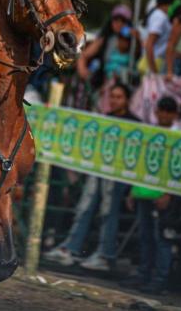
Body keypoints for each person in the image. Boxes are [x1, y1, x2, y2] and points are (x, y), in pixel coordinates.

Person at [44, 83, 137, 272]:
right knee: (84, 207)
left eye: (119, 97)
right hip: (99, 169)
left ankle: (105, 255)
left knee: (108, 212)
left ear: (127, 100)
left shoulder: (134, 122)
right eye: (112, 96)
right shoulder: (106, 118)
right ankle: (70, 248)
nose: (114, 100)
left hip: (117, 174)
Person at [123, 98, 180, 295]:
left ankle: (160, 280)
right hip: (144, 191)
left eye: (168, 111)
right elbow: (142, 162)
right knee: (145, 236)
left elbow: (179, 169)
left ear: (175, 114)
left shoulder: (179, 137)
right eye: (161, 111)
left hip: (163, 196)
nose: (164, 115)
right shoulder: (151, 133)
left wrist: (169, 193)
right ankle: (144, 275)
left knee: (161, 238)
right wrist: (132, 190)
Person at [142, 0, 176, 75]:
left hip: (157, 62)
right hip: (156, 62)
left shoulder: (158, 14)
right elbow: (149, 44)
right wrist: (154, 71)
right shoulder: (160, 17)